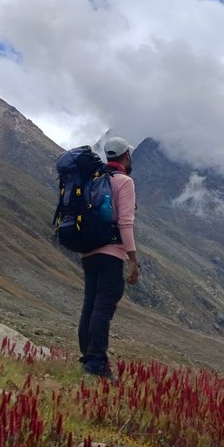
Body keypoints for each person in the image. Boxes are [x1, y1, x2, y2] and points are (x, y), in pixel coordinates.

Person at [77, 133, 139, 379]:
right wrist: (132, 258)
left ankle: (88, 357)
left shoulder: (95, 178)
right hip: (112, 252)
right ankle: (97, 363)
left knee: (90, 304)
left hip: (88, 251)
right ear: (125, 155)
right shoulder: (124, 182)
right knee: (103, 306)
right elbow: (125, 222)